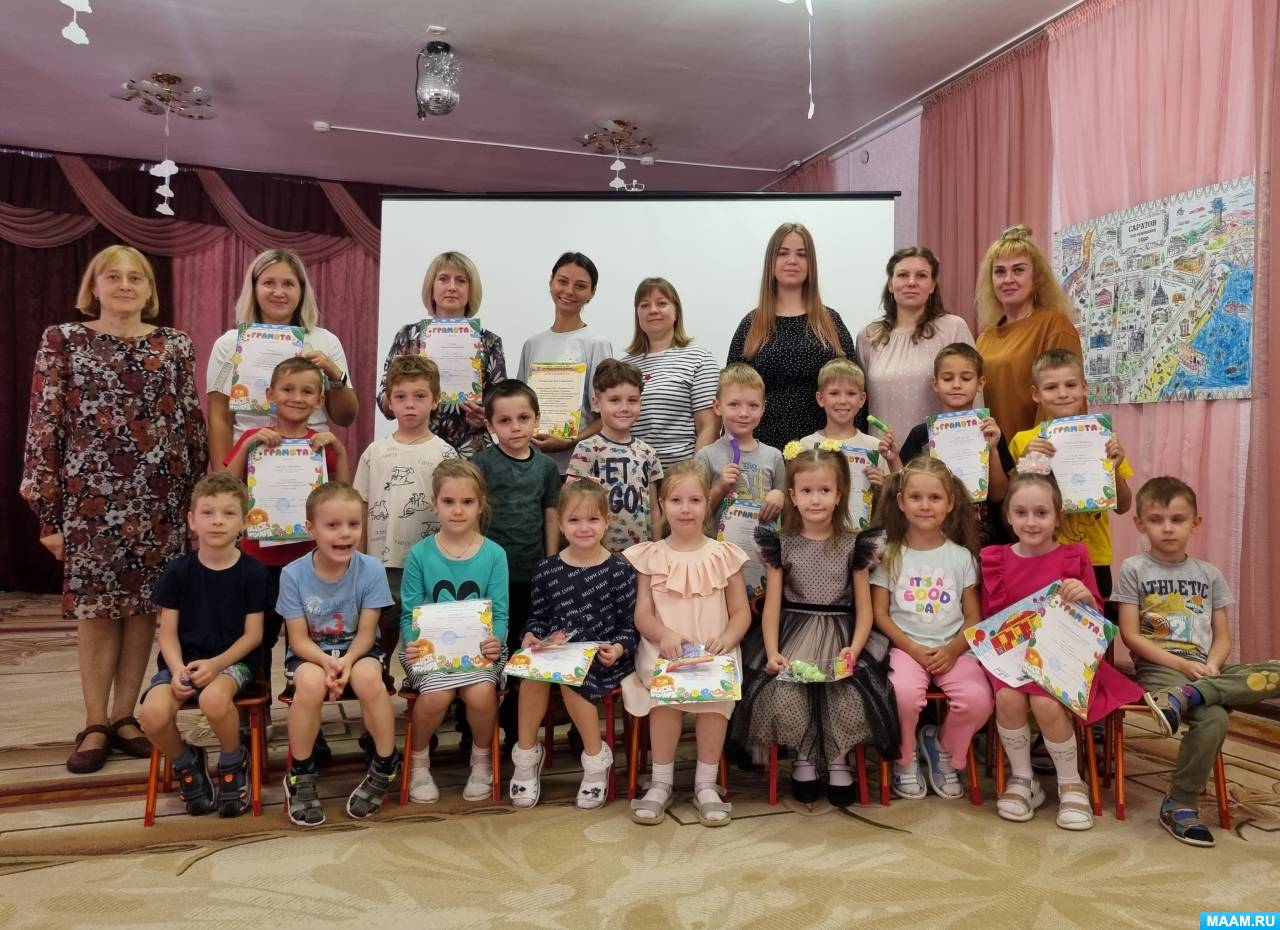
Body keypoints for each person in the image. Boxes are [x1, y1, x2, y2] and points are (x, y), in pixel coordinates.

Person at [22, 244, 208, 774]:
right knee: (98, 614)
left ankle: (126, 717)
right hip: (90, 502)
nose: (125, 285)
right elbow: (44, 424)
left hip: (160, 499)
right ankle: (94, 722)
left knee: (145, 612)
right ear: (94, 286)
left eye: (136, 277)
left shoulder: (174, 344)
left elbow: (190, 421)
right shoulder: (63, 340)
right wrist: (49, 515)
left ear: (149, 290)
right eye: (113, 276)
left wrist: (196, 501)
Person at [1116, 477, 1280, 847]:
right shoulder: (1134, 568)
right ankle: (1180, 803)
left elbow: (1222, 636)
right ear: (1139, 524)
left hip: (1206, 669)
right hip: (1162, 670)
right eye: (1156, 520)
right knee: (1215, 718)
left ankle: (1192, 694)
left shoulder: (1210, 574)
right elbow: (1131, 636)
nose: (1167, 528)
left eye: (1177, 519)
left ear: (1195, 523)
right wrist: (1181, 666)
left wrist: (1213, 666)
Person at [733, 445, 898, 806]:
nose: (815, 499)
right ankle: (805, 757)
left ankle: (838, 760)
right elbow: (772, 607)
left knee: (846, 695)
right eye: (806, 491)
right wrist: (772, 652)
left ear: (839, 495)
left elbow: (865, 610)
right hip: (793, 631)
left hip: (842, 633)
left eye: (824, 490)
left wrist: (854, 650)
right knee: (785, 694)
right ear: (793, 495)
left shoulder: (856, 544)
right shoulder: (781, 544)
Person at [980, 471, 1143, 830]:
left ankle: (1071, 782)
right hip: (1012, 659)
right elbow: (991, 621)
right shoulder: (995, 559)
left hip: (1064, 657)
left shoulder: (1074, 558)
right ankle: (1023, 779)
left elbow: (1096, 618)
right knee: (1007, 697)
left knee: (1045, 702)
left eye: (1041, 513)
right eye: (1021, 513)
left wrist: (1086, 596)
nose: (1031, 522)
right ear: (1008, 516)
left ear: (1058, 517)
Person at [622, 461, 752, 827]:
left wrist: (727, 639)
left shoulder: (724, 555)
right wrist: (664, 635)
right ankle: (661, 782)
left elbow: (740, 613)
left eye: (695, 500)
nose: (685, 509)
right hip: (664, 652)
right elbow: (643, 614)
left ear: (707, 504)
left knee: (715, 699)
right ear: (662, 504)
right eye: (676, 500)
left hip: (714, 653)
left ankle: (705, 784)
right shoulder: (651, 555)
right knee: (665, 697)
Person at [222, 357, 350, 716]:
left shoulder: (322, 444)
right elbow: (226, 489)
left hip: (309, 562)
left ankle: (305, 711)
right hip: (259, 561)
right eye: (288, 389)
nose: (297, 397)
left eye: (307, 391)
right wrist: (247, 448)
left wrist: (339, 451)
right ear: (270, 394)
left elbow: (344, 497)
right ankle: (254, 713)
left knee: (308, 640)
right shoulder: (252, 440)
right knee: (258, 637)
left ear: (320, 400)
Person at [137, 473, 268, 818]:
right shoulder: (177, 571)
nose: (217, 521)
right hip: (181, 664)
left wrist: (215, 665)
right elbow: (167, 634)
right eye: (208, 513)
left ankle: (232, 760)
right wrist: (177, 670)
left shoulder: (254, 573)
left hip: (233, 664)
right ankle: (186, 761)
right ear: (192, 520)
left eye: (229, 513)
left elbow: (253, 636)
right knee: (151, 714)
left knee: (212, 699)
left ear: (245, 522)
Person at [508, 479, 638, 809]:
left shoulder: (619, 570)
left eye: (593, 519)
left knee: (569, 678)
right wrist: (531, 635)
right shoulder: (547, 569)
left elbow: (629, 627)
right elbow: (538, 617)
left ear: (607, 521)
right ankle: (526, 755)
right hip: (558, 651)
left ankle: (596, 758)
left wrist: (619, 648)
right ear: (561, 523)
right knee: (532, 674)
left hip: (603, 656)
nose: (584, 527)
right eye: (574, 520)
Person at [278, 482, 400, 827]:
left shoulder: (371, 569)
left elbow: (367, 632)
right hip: (311, 654)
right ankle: (300, 773)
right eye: (332, 525)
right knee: (311, 683)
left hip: (358, 650)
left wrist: (346, 661)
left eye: (353, 524)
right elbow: (298, 639)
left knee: (368, 677)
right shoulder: (292, 574)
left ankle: (385, 763)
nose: (345, 533)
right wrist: (327, 661)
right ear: (311, 528)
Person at [870, 458, 991, 800]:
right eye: (916, 497)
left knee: (979, 700)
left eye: (935, 498)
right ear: (900, 502)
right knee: (902, 694)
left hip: (954, 650)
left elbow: (973, 616)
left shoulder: (962, 557)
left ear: (950, 503)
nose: (925, 505)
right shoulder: (889, 555)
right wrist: (911, 648)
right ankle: (905, 757)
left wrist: (953, 650)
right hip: (905, 649)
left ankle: (940, 748)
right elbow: (879, 613)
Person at [400, 460, 509, 803]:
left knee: (480, 693)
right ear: (435, 504)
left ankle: (481, 759)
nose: (458, 510)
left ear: (481, 505)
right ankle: (419, 762)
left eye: (467, 502)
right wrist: (412, 644)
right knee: (436, 695)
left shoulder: (494, 554)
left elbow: (500, 613)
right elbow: (409, 612)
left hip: (482, 648)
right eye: (448, 502)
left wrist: (496, 642)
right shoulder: (420, 554)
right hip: (428, 650)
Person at [354, 355, 460, 678]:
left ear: (435, 400)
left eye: (419, 396)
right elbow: (360, 507)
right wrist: (358, 558)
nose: (409, 404)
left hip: (428, 562)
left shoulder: (445, 453)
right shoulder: (375, 452)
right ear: (389, 401)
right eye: (400, 396)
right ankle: (379, 682)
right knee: (383, 628)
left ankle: (424, 685)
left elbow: (455, 509)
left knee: (423, 630)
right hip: (381, 564)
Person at [207, 248, 357, 470]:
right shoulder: (229, 344)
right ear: (254, 289)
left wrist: (332, 371)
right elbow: (219, 418)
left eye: (288, 284)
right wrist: (223, 479)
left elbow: (346, 417)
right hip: (247, 461)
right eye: (269, 283)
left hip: (311, 460)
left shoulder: (325, 340)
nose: (279, 292)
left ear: (301, 291)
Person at [474, 380, 563, 747]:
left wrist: (551, 563)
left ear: (537, 419)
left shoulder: (546, 467)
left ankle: (515, 731)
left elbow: (551, 513)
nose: (515, 427)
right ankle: (474, 730)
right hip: (490, 576)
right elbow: (474, 514)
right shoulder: (481, 464)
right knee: (487, 648)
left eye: (524, 418)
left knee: (523, 651)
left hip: (531, 573)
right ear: (490, 425)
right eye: (505, 421)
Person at [1007, 348, 1133, 598]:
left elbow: (1124, 506)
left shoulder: (1103, 437)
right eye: (1051, 387)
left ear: (1084, 387)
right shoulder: (1023, 441)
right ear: (1036, 393)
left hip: (1094, 555)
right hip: (1038, 553)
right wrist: (1025, 461)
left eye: (1071, 385)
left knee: (1094, 618)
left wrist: (1114, 468)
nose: (1062, 393)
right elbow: (1009, 505)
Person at [727, 222, 861, 450]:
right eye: (783, 253)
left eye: (801, 254)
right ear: (771, 261)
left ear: (811, 264)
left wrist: (856, 445)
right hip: (763, 450)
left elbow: (855, 387)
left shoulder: (830, 321)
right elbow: (732, 390)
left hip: (825, 450)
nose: (792, 260)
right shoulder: (751, 324)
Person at [376, 251, 507, 458]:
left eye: (461, 280)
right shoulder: (408, 336)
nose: (452, 287)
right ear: (431, 287)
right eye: (443, 279)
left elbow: (503, 405)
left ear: (471, 290)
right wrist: (403, 399)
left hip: (472, 450)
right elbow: (384, 401)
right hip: (416, 446)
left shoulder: (489, 341)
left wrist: (486, 416)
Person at [897, 344, 1014, 545]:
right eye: (947, 378)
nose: (957, 385)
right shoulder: (921, 435)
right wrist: (892, 457)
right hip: (934, 537)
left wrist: (993, 448)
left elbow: (998, 495)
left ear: (980, 383)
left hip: (986, 537)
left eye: (966, 378)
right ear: (935, 383)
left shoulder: (990, 431)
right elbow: (904, 488)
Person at [974, 226, 1083, 439]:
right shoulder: (984, 339)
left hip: (1038, 454)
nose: (1008, 279)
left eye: (1018, 270)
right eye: (1000, 272)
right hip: (993, 455)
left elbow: (1066, 404)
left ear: (1037, 277)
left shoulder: (1054, 325)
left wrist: (1033, 454)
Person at [857, 246, 976, 436]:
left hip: (937, 451)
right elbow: (859, 404)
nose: (911, 282)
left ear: (933, 285)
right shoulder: (868, 337)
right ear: (890, 284)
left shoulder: (953, 328)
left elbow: (974, 395)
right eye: (903, 275)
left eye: (921, 276)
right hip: (882, 450)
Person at [694, 364, 786, 601]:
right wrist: (719, 487)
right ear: (717, 406)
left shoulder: (774, 456)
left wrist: (780, 495)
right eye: (734, 404)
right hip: (719, 562)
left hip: (761, 562)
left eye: (753, 405)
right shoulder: (706, 456)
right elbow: (696, 513)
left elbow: (789, 511)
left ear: (763, 408)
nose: (744, 413)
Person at [516, 252, 614, 472]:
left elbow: (608, 413)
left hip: (580, 465)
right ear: (551, 282)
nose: (569, 291)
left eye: (580, 286)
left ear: (592, 293)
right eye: (562, 281)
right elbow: (520, 406)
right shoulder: (532, 344)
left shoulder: (597, 344)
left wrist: (572, 440)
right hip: (532, 465)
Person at [620, 277, 720, 469]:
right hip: (633, 475)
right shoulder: (623, 366)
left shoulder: (700, 358)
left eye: (662, 303)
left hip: (682, 476)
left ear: (676, 312)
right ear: (637, 314)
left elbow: (709, 428)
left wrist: (695, 475)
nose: (653, 310)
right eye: (644, 305)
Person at [567, 359, 664, 551]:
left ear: (641, 403)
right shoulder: (586, 450)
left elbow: (654, 508)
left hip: (641, 554)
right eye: (614, 400)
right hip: (597, 555)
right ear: (596, 403)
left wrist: (657, 548)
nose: (624, 407)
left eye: (632, 400)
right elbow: (573, 506)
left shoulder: (648, 453)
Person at [799, 359, 896, 526]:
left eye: (851, 393)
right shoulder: (806, 445)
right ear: (820, 398)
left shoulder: (875, 446)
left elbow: (891, 502)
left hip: (860, 535)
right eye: (834, 393)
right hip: (815, 533)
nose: (843, 400)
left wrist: (882, 485)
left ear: (862, 399)